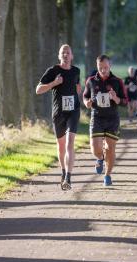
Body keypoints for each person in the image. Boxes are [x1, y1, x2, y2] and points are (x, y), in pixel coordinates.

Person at [36, 44, 81, 191]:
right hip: (58, 113)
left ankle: (68, 176)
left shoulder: (76, 71)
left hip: (73, 112)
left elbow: (77, 87)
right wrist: (54, 83)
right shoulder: (53, 71)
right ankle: (63, 171)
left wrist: (79, 91)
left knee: (69, 143)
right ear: (59, 56)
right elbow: (38, 90)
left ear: (72, 56)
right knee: (61, 146)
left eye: (68, 52)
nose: (66, 55)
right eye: (63, 53)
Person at [83, 55, 127, 186]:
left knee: (110, 148)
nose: (103, 70)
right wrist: (87, 103)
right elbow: (85, 97)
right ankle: (100, 158)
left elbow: (125, 102)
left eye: (106, 67)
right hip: (96, 117)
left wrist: (116, 98)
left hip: (112, 118)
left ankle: (107, 175)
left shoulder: (117, 81)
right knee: (95, 149)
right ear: (97, 67)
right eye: (101, 68)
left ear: (110, 66)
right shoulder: (91, 81)